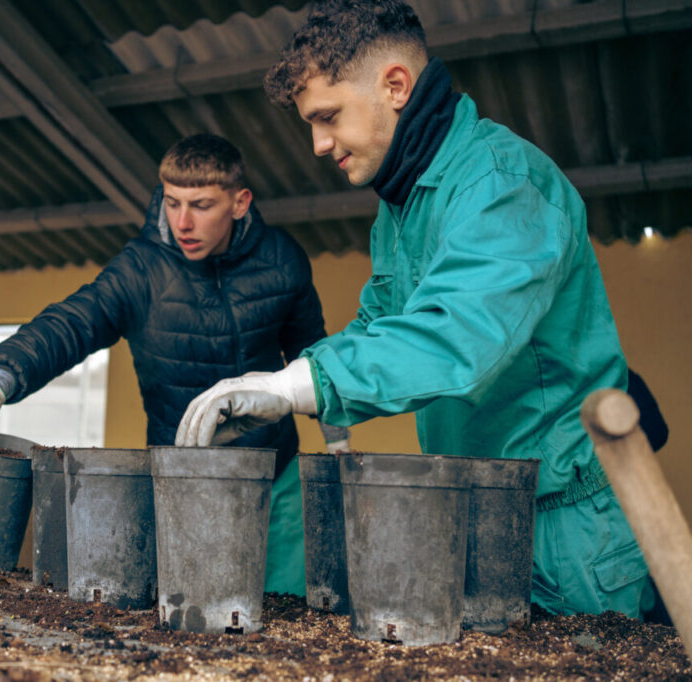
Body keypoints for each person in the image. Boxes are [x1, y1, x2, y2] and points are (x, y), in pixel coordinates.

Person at [176, 0, 652, 618]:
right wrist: (275, 384)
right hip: (477, 513)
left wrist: (297, 386)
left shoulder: (504, 183)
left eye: (327, 117)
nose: (318, 145)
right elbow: (381, 324)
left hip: (562, 534)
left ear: (396, 86)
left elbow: (458, 337)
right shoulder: (404, 204)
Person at [0, 133, 348, 595]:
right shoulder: (140, 269)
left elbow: (310, 348)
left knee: (285, 612)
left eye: (202, 205)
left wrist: (338, 440)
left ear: (240, 202)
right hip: (175, 480)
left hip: (274, 473)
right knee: (186, 608)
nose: (183, 222)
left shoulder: (283, 259)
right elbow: (72, 324)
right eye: (172, 202)